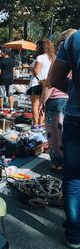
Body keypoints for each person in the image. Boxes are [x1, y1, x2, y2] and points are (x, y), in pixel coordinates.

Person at [49, 28, 80, 249]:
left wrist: (74, 90)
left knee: (73, 176)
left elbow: (54, 78)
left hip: (76, 116)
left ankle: (74, 234)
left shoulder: (74, 39)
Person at [39, 29, 76, 172]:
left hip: (56, 102)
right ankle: (68, 162)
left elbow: (49, 84)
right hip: (70, 101)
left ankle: (58, 163)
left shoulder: (59, 61)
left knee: (54, 134)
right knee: (67, 135)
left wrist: (42, 102)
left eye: (59, 43)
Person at [27, 39, 55, 131]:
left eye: (37, 46)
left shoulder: (40, 57)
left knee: (35, 105)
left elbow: (36, 71)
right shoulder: (53, 57)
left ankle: (35, 124)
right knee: (43, 105)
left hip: (37, 83)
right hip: (48, 84)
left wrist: (30, 68)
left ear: (40, 47)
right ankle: (40, 124)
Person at [0, 47, 15, 113]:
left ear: (5, 53)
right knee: (10, 94)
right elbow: (13, 70)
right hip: (10, 79)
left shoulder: (1, 61)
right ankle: (11, 109)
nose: (0, 53)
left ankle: (1, 109)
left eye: (1, 52)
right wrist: (13, 77)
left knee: (1, 95)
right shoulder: (12, 60)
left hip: (2, 79)